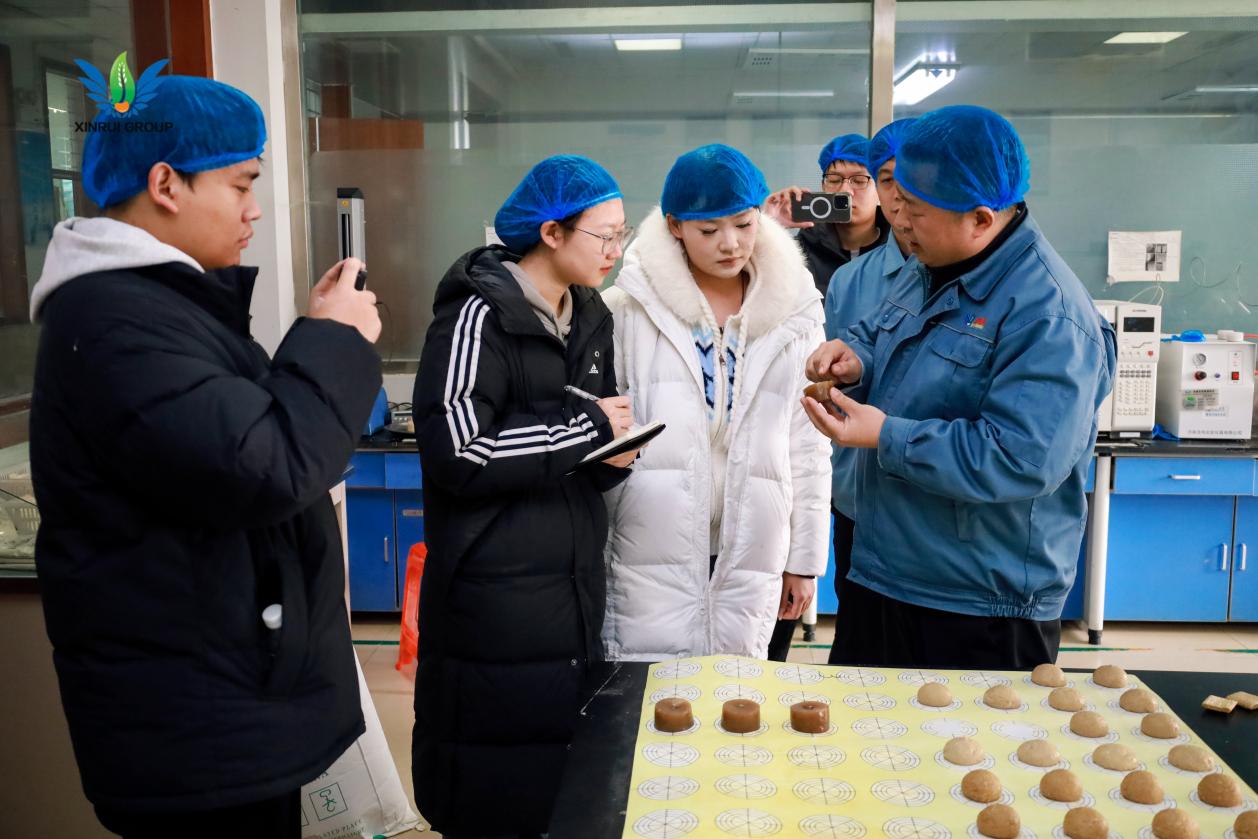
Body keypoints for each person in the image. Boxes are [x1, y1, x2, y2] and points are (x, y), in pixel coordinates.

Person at [28, 76, 383, 838]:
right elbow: (270, 464)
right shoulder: (115, 321)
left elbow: (241, 434)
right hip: (194, 730)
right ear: (165, 184)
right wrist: (335, 339)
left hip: (223, 707)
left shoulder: (162, 307)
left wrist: (319, 329)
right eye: (242, 184)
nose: (255, 209)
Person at [802, 106, 1116, 670]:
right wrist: (858, 357)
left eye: (915, 210)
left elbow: (1021, 458)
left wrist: (886, 436)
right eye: (896, 199)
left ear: (980, 218)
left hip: (978, 603)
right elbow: (888, 331)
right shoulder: (932, 264)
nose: (899, 220)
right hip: (886, 571)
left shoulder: (1049, 316)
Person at [411, 155, 639, 839]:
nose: (616, 249)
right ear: (551, 232)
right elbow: (460, 451)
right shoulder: (477, 316)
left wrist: (611, 458)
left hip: (570, 589)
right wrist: (587, 431)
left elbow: (581, 444)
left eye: (622, 234)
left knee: (560, 784)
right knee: (492, 780)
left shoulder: (589, 315)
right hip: (492, 599)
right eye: (604, 235)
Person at [600, 143, 830, 663]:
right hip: (648, 550)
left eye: (744, 225)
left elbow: (809, 444)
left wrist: (804, 560)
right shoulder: (626, 312)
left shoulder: (796, 313)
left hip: (755, 551)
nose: (731, 244)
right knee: (649, 698)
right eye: (708, 231)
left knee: (743, 697)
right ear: (675, 227)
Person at [820, 118, 919, 664]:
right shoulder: (849, 279)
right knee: (859, 646)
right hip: (856, 489)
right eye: (886, 180)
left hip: (930, 495)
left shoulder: (994, 284)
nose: (900, 198)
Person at [766, 133, 891, 295]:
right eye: (834, 180)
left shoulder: (900, 250)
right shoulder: (798, 252)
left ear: (879, 189)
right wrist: (769, 226)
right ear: (823, 187)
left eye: (859, 180)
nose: (845, 191)